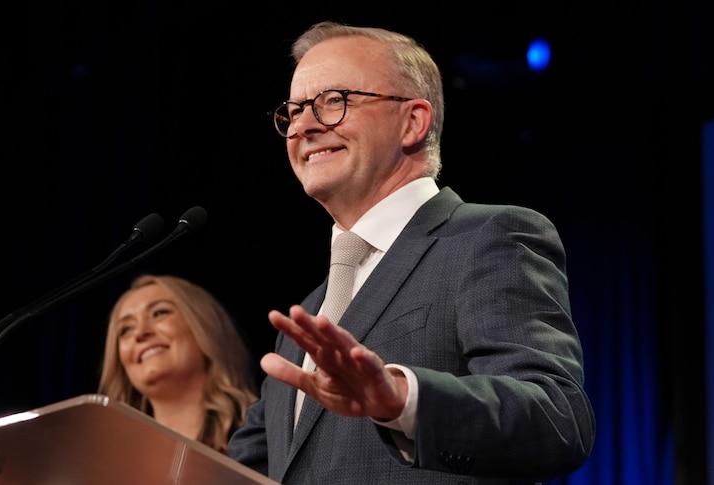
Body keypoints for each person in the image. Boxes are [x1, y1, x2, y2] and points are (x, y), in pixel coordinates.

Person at [227, 20, 596, 484]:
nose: (303, 126)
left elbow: (556, 421)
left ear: (413, 122)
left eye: (333, 102)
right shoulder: (309, 318)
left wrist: (403, 400)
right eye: (294, 110)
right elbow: (238, 471)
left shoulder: (488, 238)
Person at [97, 274, 257, 453]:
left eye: (159, 313)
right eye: (126, 329)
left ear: (205, 325)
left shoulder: (260, 437)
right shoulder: (110, 461)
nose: (140, 333)